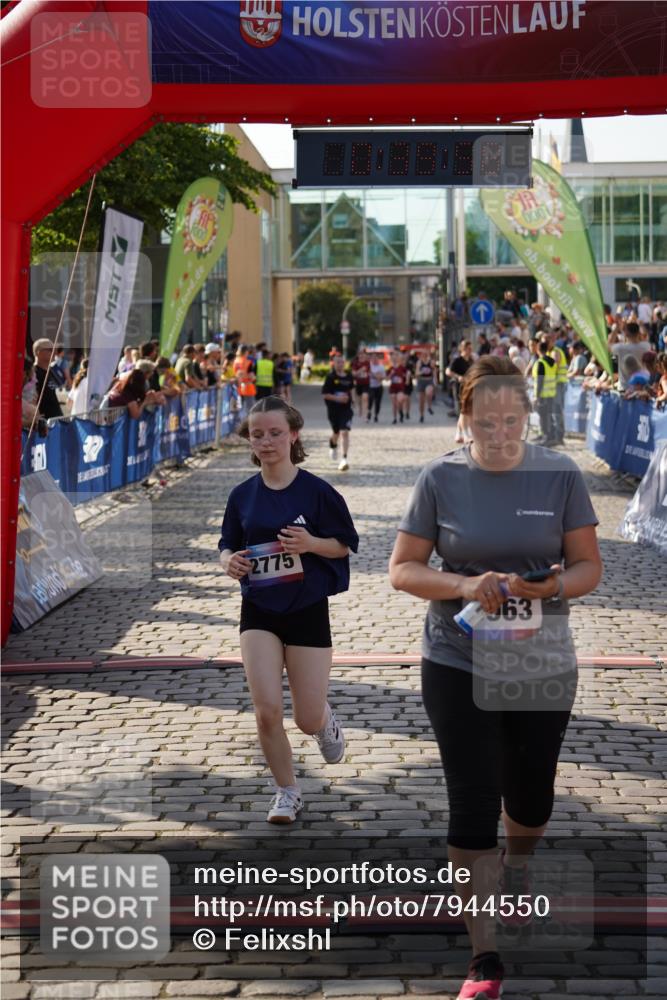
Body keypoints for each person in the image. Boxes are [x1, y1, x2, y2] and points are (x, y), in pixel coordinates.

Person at [389, 355, 602, 1000]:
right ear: (465, 419)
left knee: (530, 798)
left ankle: (520, 868)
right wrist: (463, 585)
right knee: (475, 800)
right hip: (456, 658)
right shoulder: (439, 478)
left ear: (526, 417)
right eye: (487, 422)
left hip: (540, 660)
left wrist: (553, 584)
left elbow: (589, 567)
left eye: (512, 420)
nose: (501, 433)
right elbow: (402, 569)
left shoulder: (560, 474)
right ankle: (484, 957)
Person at [218, 396, 359, 824]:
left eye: (275, 433)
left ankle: (324, 721)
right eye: (257, 434)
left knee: (305, 716)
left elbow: (344, 544)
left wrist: (311, 544)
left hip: (307, 608)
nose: (266, 441)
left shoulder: (318, 491)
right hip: (259, 609)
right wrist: (229, 562)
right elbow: (227, 545)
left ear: (293, 435)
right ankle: (287, 791)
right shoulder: (242, 495)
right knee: (266, 711)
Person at [322, 354, 354, 471]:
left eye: (342, 362)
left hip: (346, 410)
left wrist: (354, 400)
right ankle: (332, 445)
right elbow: (325, 394)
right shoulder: (330, 377)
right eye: (338, 362)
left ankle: (344, 459)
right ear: (334, 364)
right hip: (333, 410)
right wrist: (339, 399)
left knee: (344, 432)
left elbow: (351, 389)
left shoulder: (349, 376)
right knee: (336, 433)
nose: (340, 364)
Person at [533, 338, 559, 447]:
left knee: (544, 417)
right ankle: (551, 436)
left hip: (543, 394)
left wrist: (537, 396)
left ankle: (546, 437)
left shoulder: (541, 363)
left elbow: (540, 380)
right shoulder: (552, 362)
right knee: (549, 416)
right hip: (551, 393)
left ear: (538, 350)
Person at [32, 338, 65, 420]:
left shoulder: (51, 371)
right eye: (50, 350)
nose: (54, 353)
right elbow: (32, 400)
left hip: (55, 422)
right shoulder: (33, 374)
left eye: (55, 350)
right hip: (44, 424)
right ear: (38, 352)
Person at [415, 349, 437, 424]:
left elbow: (434, 371)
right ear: (421, 355)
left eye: (426, 354)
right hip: (421, 381)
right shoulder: (419, 362)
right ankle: (421, 415)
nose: (424, 356)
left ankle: (429, 406)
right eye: (423, 354)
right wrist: (421, 372)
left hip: (429, 380)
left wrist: (435, 380)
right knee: (421, 401)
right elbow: (416, 373)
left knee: (429, 392)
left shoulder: (431, 362)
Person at [387, 350, 408, 425]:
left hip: (400, 387)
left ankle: (401, 411)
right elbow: (387, 379)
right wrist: (391, 374)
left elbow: (407, 374)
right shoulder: (390, 368)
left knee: (400, 401)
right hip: (393, 387)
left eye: (396, 356)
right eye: (394, 356)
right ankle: (394, 418)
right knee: (394, 403)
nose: (395, 358)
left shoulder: (402, 368)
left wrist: (407, 379)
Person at [351, 347, 371, 420]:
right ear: (358, 355)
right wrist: (360, 370)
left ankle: (365, 415)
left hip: (366, 383)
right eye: (360, 354)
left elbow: (369, 372)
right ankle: (360, 410)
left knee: (365, 397)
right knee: (359, 399)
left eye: (363, 354)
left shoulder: (368, 363)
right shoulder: (355, 363)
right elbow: (353, 374)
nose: (362, 355)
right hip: (358, 383)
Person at [368, 352, 386, 423]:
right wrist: (376, 376)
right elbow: (368, 375)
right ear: (371, 359)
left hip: (378, 386)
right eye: (373, 358)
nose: (374, 359)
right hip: (370, 386)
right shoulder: (369, 366)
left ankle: (376, 415)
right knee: (370, 399)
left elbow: (383, 377)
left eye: (376, 358)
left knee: (378, 402)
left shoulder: (381, 366)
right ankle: (369, 411)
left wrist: (377, 376)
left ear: (378, 359)